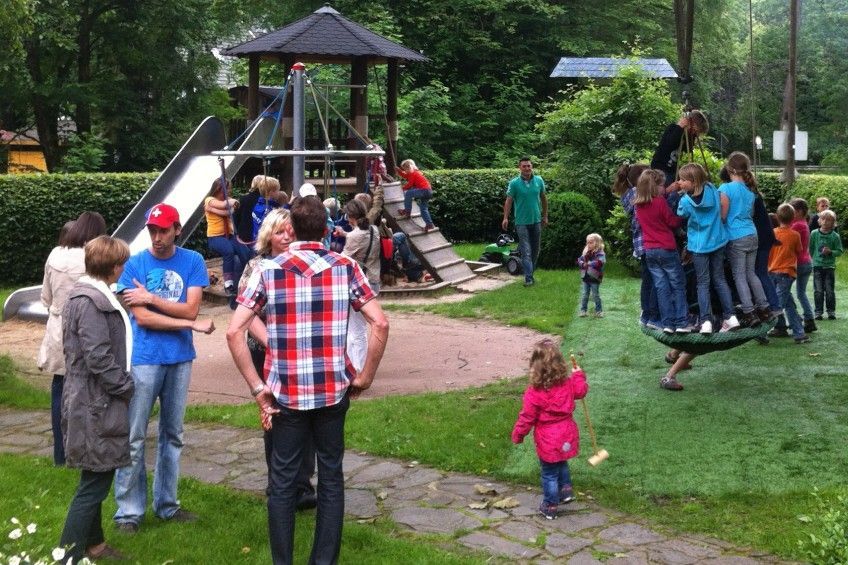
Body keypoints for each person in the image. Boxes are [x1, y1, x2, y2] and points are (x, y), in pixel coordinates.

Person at [226, 195, 389, 565]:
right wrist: (364, 376)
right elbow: (380, 322)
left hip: (286, 395)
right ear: (327, 228)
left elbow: (234, 332)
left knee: (282, 481)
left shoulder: (268, 271)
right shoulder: (346, 267)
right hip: (333, 391)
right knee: (331, 476)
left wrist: (258, 389)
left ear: (292, 228)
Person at [113, 203, 216, 533]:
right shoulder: (134, 264)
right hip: (145, 357)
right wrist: (187, 322)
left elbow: (191, 309)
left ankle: (167, 506)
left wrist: (152, 298)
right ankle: (128, 513)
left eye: (163, 230)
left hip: (179, 358)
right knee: (134, 436)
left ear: (177, 230)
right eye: (152, 231)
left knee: (173, 435)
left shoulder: (192, 261)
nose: (157, 237)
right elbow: (142, 318)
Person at [58, 235, 134, 563]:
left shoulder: (91, 295)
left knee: (95, 471)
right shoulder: (91, 302)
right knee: (95, 483)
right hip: (95, 402)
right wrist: (126, 387)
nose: (124, 268)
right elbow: (98, 357)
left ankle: (95, 545)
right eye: (122, 263)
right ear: (113, 267)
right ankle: (67, 556)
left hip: (91, 398)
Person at [238, 208, 316, 509]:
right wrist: (274, 343)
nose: (286, 237)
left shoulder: (305, 263)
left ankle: (303, 483)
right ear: (268, 235)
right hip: (267, 351)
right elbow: (246, 315)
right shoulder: (256, 266)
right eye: (280, 232)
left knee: (307, 414)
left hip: (302, 352)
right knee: (275, 415)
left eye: (291, 232)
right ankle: (278, 481)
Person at [39, 212, 107, 466]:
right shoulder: (94, 258)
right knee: (90, 390)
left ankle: (60, 454)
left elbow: (45, 297)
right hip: (88, 328)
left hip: (58, 329)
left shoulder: (55, 254)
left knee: (60, 389)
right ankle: (87, 450)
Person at [511, 340, 588, 520]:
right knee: (561, 462)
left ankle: (550, 505)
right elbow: (581, 391)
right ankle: (565, 491)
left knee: (549, 473)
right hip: (567, 433)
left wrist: (518, 434)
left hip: (548, 438)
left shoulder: (534, 393)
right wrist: (579, 375)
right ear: (560, 363)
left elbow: (527, 417)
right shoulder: (567, 383)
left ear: (535, 367)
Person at [676, 163, 740, 333]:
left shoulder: (685, 201)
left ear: (692, 181)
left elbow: (681, 214)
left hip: (699, 247)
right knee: (719, 279)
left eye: (682, 180)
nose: (679, 182)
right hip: (718, 241)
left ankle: (706, 321)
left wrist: (680, 195)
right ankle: (731, 316)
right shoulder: (712, 189)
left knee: (703, 283)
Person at [634, 169, 691, 336]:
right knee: (677, 285)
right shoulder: (659, 202)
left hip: (650, 251)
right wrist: (683, 216)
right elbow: (671, 221)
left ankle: (667, 323)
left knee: (661, 287)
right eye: (662, 185)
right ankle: (681, 322)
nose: (664, 188)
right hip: (666, 248)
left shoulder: (638, 205)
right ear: (655, 186)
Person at [718, 152, 771, 327]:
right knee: (751, 273)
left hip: (736, 236)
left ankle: (749, 312)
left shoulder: (725, 188)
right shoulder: (750, 191)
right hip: (752, 234)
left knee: (739, 275)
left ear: (730, 169)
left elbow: (723, 216)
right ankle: (764, 308)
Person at [612, 163, 660, 327]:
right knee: (652, 279)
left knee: (648, 278)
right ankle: (650, 314)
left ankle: (646, 314)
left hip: (641, 244)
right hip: (647, 242)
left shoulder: (628, 192)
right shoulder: (636, 193)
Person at [342, 199, 381, 374]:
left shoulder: (354, 236)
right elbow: (361, 240)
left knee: (356, 328)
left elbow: (342, 259)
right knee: (357, 326)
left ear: (350, 217)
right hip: (373, 280)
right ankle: (355, 363)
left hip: (359, 285)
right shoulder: (374, 229)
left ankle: (358, 368)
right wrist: (345, 234)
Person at [766, 203, 809, 344]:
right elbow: (799, 250)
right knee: (779, 305)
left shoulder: (773, 233)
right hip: (787, 273)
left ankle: (798, 333)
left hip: (772, 271)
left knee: (785, 303)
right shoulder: (795, 235)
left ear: (778, 217)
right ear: (793, 218)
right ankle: (762, 331)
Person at [503, 157, 548, 287]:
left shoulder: (539, 180)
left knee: (535, 250)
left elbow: (544, 199)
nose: (527, 168)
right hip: (521, 222)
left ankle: (530, 274)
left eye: (529, 166)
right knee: (526, 250)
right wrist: (505, 217)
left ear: (531, 166)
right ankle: (528, 278)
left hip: (536, 221)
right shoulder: (514, 183)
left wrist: (545, 216)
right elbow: (509, 201)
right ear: (520, 168)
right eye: (524, 166)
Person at [205, 178, 251, 295]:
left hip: (229, 236)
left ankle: (247, 279)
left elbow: (228, 211)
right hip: (215, 237)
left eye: (229, 188)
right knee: (228, 251)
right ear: (219, 189)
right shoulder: (209, 200)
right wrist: (231, 203)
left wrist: (213, 209)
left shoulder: (228, 200)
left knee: (245, 252)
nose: (230, 191)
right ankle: (228, 284)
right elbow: (224, 205)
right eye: (228, 188)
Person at [651, 109, 710, 187]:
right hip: (660, 168)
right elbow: (670, 143)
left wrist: (693, 136)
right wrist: (680, 126)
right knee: (662, 189)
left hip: (673, 170)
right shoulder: (673, 128)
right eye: (694, 130)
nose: (695, 133)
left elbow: (688, 149)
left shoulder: (687, 135)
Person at [788, 198, 816, 333]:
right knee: (801, 293)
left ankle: (796, 317)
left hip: (798, 263)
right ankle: (809, 319)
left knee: (785, 291)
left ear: (799, 211)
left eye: (792, 211)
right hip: (806, 262)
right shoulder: (803, 223)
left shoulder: (797, 225)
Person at [810, 209, 842, 320]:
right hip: (817, 266)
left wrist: (831, 252)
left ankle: (831, 311)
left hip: (829, 267)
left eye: (828, 220)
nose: (825, 222)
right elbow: (810, 249)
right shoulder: (814, 233)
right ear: (819, 220)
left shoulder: (835, 236)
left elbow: (839, 251)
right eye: (823, 219)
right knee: (818, 291)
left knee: (829, 291)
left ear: (833, 223)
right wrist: (812, 261)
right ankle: (818, 312)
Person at [396, 159, 436, 232]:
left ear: (409, 167)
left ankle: (407, 212)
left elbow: (410, 184)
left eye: (406, 169)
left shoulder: (414, 173)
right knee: (423, 208)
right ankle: (429, 224)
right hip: (428, 191)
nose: (405, 171)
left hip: (424, 190)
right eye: (404, 169)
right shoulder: (414, 173)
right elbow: (405, 175)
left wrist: (403, 188)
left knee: (408, 193)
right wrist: (399, 171)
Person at [576, 233, 606, 318]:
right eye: (587, 242)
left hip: (595, 278)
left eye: (591, 242)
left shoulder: (600, 253)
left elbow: (600, 262)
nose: (588, 244)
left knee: (595, 295)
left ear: (597, 243)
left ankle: (599, 311)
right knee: (585, 294)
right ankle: (583, 310)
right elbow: (579, 260)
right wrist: (582, 264)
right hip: (585, 278)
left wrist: (588, 264)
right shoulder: (585, 252)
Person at [251, 176, 285, 242]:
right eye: (277, 190)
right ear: (271, 192)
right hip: (266, 243)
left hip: (256, 241)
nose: (279, 193)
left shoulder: (257, 205)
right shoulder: (269, 210)